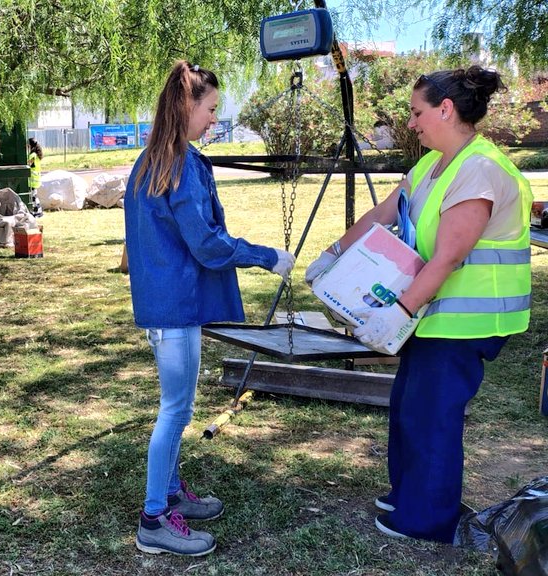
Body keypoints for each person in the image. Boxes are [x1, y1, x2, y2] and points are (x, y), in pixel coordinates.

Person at [304, 66, 532, 544]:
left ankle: (426, 519)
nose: (411, 123)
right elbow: (382, 213)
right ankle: (409, 494)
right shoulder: (433, 165)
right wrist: (334, 253)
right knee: (409, 405)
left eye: (416, 112)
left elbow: (449, 256)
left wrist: (400, 311)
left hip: (466, 322)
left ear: (445, 110)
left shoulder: (479, 170)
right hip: (436, 314)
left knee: (431, 416)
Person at [124, 60, 296, 557]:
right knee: (175, 411)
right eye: (211, 109)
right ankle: (154, 519)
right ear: (186, 106)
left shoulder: (153, 160)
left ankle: (171, 492)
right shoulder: (179, 163)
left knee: (176, 407)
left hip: (166, 303)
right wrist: (267, 257)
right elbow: (206, 243)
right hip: (175, 307)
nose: (215, 119)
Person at [27, 137, 44, 217]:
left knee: (33, 197)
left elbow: (28, 164)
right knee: (34, 196)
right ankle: (36, 211)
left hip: (32, 179)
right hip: (36, 178)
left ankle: (38, 212)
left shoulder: (32, 155)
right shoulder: (37, 155)